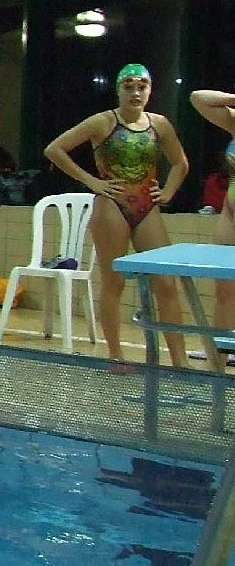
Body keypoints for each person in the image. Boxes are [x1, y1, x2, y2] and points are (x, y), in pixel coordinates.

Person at [45, 64, 190, 371]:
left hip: (146, 207)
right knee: (114, 282)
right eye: (129, 86)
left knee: (166, 282)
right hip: (111, 205)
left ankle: (179, 359)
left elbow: (180, 163)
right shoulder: (103, 122)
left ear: (150, 90)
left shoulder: (159, 124)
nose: (136, 93)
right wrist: (92, 182)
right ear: (118, 90)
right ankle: (115, 355)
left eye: (142, 86)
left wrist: (168, 192)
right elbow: (54, 150)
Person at [189, 86, 235, 346]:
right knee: (225, 294)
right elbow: (198, 99)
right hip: (229, 219)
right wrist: (233, 99)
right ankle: (218, 358)